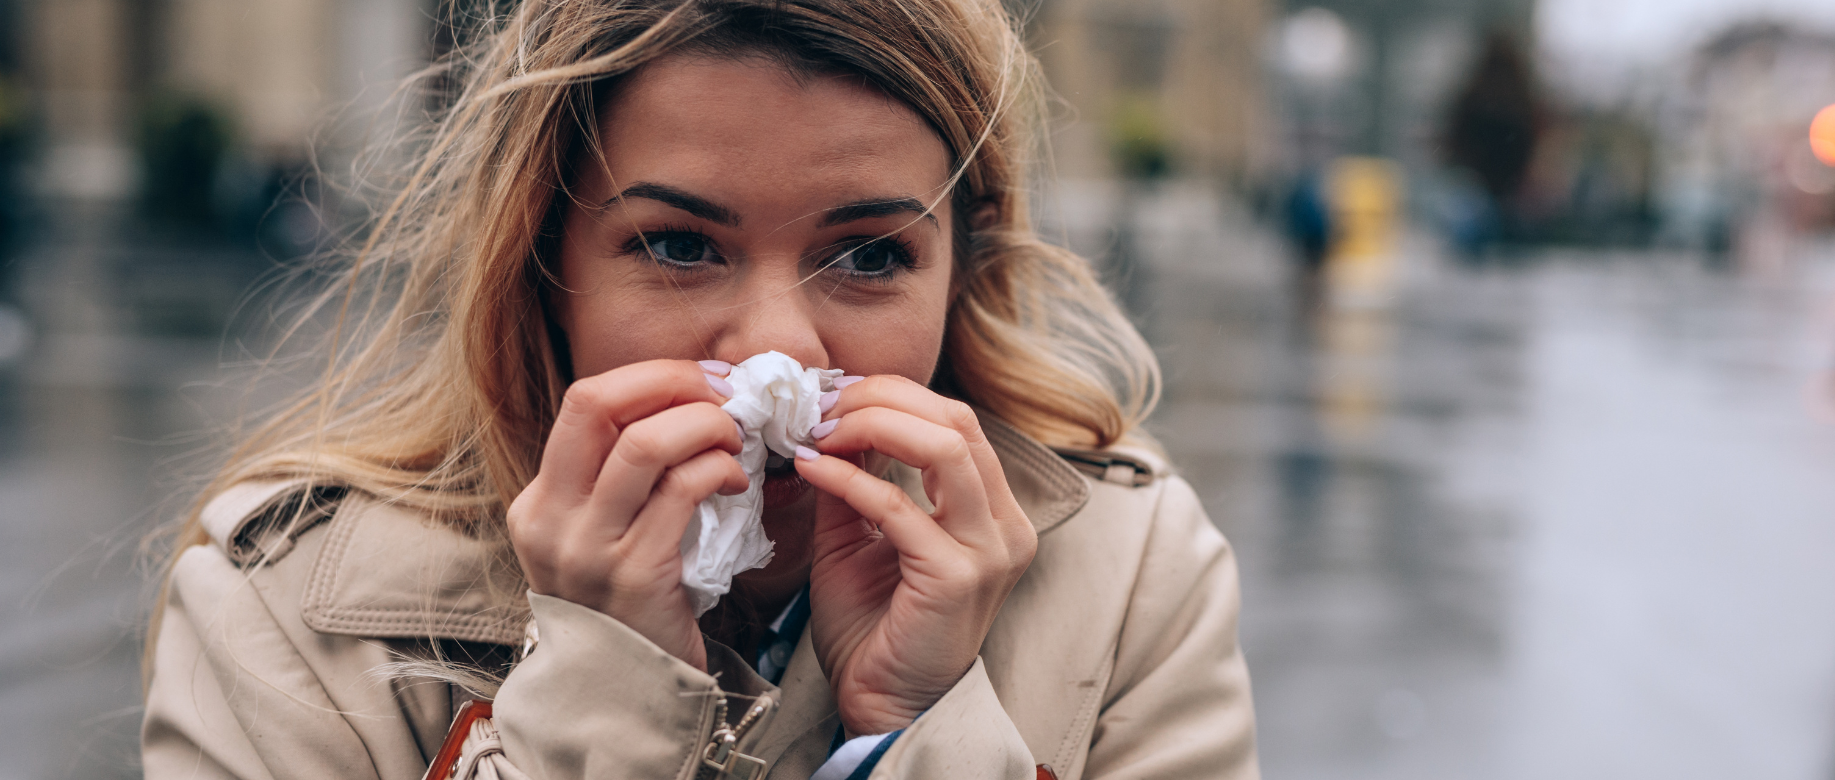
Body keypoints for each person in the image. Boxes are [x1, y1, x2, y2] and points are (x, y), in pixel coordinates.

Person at [139, 2, 1259, 778]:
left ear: (964, 269)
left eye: (870, 255)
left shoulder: (1133, 574)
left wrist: (919, 734)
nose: (780, 348)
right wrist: (601, 697)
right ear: (544, 265)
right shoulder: (283, 615)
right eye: (679, 244)